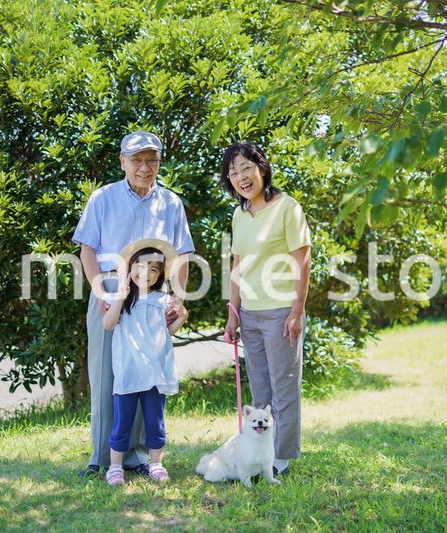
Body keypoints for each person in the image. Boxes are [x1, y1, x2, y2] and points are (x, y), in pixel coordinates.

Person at [73, 131, 194, 477]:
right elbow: (88, 251)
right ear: (122, 162)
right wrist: (102, 291)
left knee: (147, 371)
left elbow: (183, 253)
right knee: (107, 372)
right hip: (111, 287)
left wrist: (178, 299)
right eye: (137, 160)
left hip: (154, 292)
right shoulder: (103, 198)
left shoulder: (171, 203)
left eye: (151, 159)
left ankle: (139, 458)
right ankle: (101, 456)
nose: (145, 167)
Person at [221, 142, 311, 477]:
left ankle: (282, 458)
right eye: (233, 173)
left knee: (283, 386)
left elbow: (303, 260)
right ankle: (260, 453)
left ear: (261, 168)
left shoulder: (287, 207)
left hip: (280, 310)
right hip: (250, 314)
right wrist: (233, 312)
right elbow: (238, 265)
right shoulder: (239, 214)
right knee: (259, 388)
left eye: (246, 168)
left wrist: (296, 311)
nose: (240, 177)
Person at [102, 240, 188, 485]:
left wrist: (182, 315)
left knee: (155, 422)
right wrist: (121, 296)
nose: (145, 274)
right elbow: (108, 325)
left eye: (153, 270)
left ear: (160, 275)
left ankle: (157, 464)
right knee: (122, 423)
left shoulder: (163, 299)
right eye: (140, 267)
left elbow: (165, 333)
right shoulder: (119, 298)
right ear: (129, 268)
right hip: (128, 371)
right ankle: (115, 467)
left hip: (154, 372)